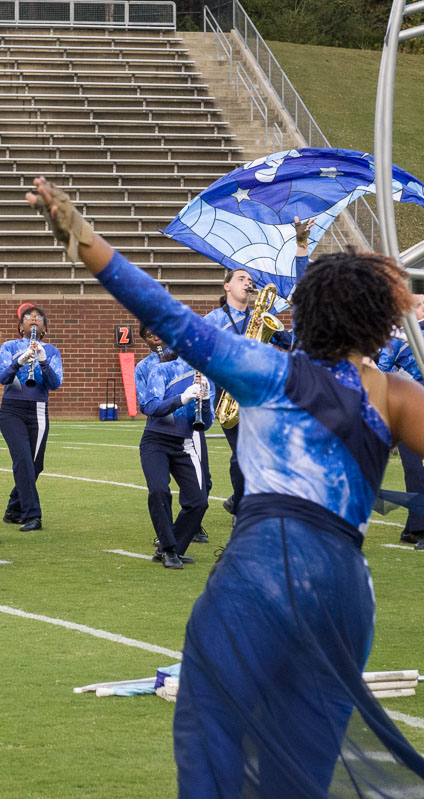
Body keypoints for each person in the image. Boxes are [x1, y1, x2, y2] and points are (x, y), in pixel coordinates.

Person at [27, 176, 424, 794]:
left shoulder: (266, 368)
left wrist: (85, 240)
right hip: (345, 587)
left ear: (307, 314)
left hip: (262, 570)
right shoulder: (397, 394)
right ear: (379, 319)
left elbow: (166, 314)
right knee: (305, 761)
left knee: (213, 731)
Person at [202, 218, 310, 519]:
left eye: (249, 279)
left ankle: (240, 501)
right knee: (241, 454)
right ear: (227, 286)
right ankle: (243, 508)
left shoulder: (261, 316)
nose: (247, 283)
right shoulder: (213, 319)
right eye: (240, 278)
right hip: (229, 392)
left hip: (259, 390)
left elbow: (290, 342)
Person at [133, 326, 212, 570]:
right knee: (159, 491)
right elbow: (149, 406)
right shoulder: (162, 370)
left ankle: (173, 546)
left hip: (184, 442)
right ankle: (168, 548)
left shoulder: (205, 374)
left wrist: (206, 400)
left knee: (198, 502)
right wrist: (182, 399)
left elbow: (205, 424)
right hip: (155, 440)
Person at [0, 303, 62, 532]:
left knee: (35, 465)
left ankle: (13, 509)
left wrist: (43, 362)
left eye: (38, 318)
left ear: (43, 328)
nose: (33, 319)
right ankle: (32, 514)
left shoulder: (51, 350)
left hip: (38, 410)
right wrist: (18, 362)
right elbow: (2, 378)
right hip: (11, 410)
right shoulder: (9, 346)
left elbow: (54, 384)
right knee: (23, 460)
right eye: (28, 317)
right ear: (20, 325)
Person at [377, 293, 424, 549]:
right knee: (414, 471)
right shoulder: (396, 339)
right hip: (410, 411)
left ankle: (414, 527)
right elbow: (381, 372)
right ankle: (417, 527)